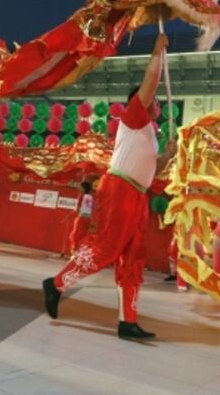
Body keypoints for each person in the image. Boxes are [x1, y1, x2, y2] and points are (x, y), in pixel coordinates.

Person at [42, 33, 177, 341]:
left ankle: (127, 320)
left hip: (137, 195)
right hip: (119, 190)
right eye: (151, 99)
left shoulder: (148, 133)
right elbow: (151, 82)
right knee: (106, 247)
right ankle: (57, 284)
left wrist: (166, 156)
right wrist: (156, 53)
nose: (155, 102)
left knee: (133, 259)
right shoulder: (133, 116)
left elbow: (150, 171)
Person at [68, 181, 94, 255]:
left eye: (80, 187)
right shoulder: (91, 196)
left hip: (81, 217)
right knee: (84, 236)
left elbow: (77, 208)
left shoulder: (81, 195)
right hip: (89, 219)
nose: (79, 188)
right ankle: (82, 252)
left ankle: (75, 252)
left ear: (83, 188)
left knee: (75, 235)